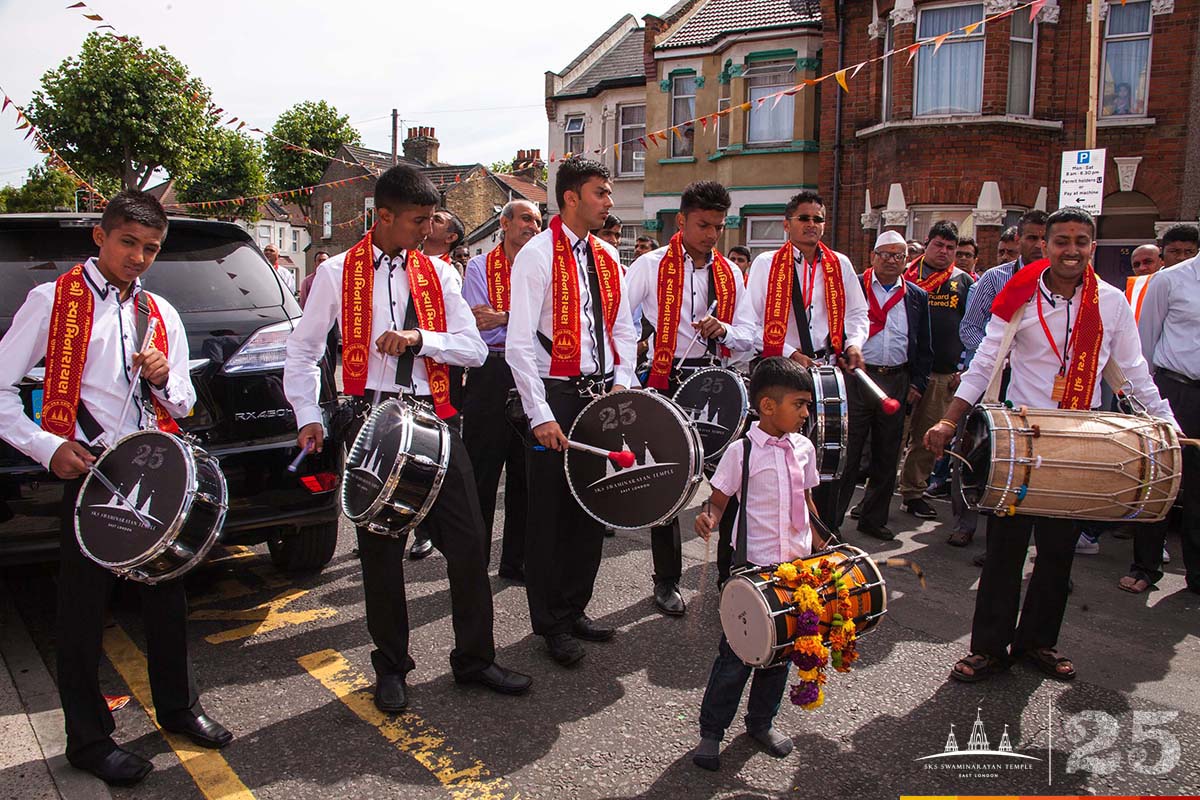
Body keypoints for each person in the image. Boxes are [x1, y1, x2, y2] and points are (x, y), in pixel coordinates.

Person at [0, 190, 231, 786]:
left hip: (152, 471)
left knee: (167, 597)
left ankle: (178, 707)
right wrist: (49, 448)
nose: (138, 257)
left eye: (150, 248)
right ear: (100, 237)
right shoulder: (52, 302)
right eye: (128, 242)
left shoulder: (160, 312)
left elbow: (183, 399)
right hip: (91, 472)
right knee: (82, 611)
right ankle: (88, 739)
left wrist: (164, 378)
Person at [284, 165, 532, 710]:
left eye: (431, 219)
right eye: (419, 220)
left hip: (432, 420)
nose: (429, 229)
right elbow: (302, 351)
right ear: (384, 216)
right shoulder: (335, 273)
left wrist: (422, 339)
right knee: (381, 551)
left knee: (468, 544)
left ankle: (474, 658)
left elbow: (472, 348)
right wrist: (308, 413)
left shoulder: (439, 275)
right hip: (368, 420)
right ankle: (391, 667)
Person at [926, 207, 1178, 683]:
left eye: (1081, 241)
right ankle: (987, 649)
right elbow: (983, 362)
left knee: (1058, 557)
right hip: (1021, 441)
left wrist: (1168, 428)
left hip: (1078, 443)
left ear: (1093, 246)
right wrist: (947, 419)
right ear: (1047, 246)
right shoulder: (1019, 294)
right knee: (1004, 554)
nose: (1071, 249)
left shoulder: (1110, 303)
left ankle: (1037, 642)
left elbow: (1135, 374)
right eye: (1062, 240)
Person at [507, 156, 638, 667]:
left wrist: (621, 389)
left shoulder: (607, 255)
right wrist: (540, 413)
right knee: (551, 514)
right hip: (555, 396)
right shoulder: (536, 256)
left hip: (602, 394)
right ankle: (549, 623)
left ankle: (575, 608)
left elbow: (624, 330)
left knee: (592, 506)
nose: (609, 201)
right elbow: (518, 345)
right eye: (600, 192)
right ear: (570, 198)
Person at [624, 181, 756, 615]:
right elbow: (621, 325)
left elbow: (749, 335)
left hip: (717, 382)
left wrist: (726, 331)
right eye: (703, 224)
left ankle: (728, 574)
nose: (712, 234)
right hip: (667, 379)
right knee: (669, 484)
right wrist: (627, 378)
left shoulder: (731, 273)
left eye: (719, 226)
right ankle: (666, 580)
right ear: (681, 221)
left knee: (733, 480)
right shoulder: (649, 264)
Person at [690, 357, 823, 772]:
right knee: (735, 658)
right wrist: (708, 517)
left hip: (795, 572)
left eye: (807, 405)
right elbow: (719, 500)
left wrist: (824, 544)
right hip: (752, 573)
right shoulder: (740, 452)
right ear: (768, 406)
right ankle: (711, 732)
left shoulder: (804, 449)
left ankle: (760, 723)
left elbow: (807, 501)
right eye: (799, 404)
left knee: (779, 656)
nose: (805, 413)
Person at [744, 190, 868, 525]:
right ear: (787, 224)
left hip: (827, 371)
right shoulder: (766, 264)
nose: (812, 225)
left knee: (831, 453)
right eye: (804, 218)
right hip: (782, 370)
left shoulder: (838, 263)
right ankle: (777, 525)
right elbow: (750, 322)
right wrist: (790, 353)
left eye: (818, 219)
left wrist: (854, 343)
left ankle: (824, 527)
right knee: (781, 452)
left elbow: (858, 314)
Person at [951, 210, 1047, 554]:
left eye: (1043, 238)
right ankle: (964, 523)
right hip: (991, 379)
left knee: (1024, 461)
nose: (1038, 245)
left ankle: (1008, 541)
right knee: (974, 451)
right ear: (1017, 240)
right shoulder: (994, 279)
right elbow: (970, 328)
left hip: (1035, 390)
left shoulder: (1064, 282)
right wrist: (998, 355)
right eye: (1031, 237)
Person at [831, 231, 932, 540]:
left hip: (896, 378)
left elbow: (923, 343)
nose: (891, 261)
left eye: (898, 256)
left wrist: (917, 381)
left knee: (888, 453)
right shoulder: (854, 287)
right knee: (848, 453)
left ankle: (873, 519)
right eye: (885, 254)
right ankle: (832, 522)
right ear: (873, 256)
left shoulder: (916, 296)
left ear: (906, 260)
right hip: (857, 377)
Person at [461, 200, 543, 582]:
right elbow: (480, 325)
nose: (533, 227)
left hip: (530, 373)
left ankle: (517, 562)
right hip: (490, 374)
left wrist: (507, 317)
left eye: (539, 222)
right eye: (527, 219)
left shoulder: (544, 270)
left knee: (525, 476)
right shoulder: (478, 268)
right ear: (504, 223)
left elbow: (544, 327)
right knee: (482, 473)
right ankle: (473, 561)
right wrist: (518, 324)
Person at [1129, 251, 1200, 595]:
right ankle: (1145, 567)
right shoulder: (1170, 279)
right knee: (1161, 483)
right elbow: (1144, 345)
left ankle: (1197, 574)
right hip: (1176, 391)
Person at [897, 221, 973, 521]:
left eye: (950, 248)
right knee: (893, 437)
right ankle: (877, 496)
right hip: (905, 372)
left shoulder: (964, 282)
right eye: (938, 245)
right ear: (926, 244)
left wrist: (964, 367)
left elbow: (973, 327)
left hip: (944, 375)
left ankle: (913, 493)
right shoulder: (905, 276)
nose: (944, 252)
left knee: (927, 439)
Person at [407, 207, 468, 560]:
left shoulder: (448, 274)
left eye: (441, 219)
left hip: (441, 376)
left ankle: (431, 528)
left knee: (436, 456)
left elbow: (460, 336)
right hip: (406, 378)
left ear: (450, 238)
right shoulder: (402, 264)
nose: (431, 220)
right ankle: (412, 526)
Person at [1124, 243, 1162, 323]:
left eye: (1148, 262)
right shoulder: (1125, 296)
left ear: (1162, 262)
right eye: (1136, 265)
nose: (1142, 268)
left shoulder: (1175, 291)